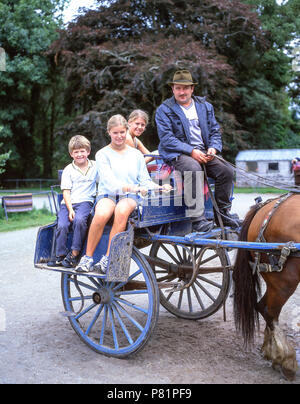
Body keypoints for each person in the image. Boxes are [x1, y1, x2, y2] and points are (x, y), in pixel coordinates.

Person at [75, 114, 172, 273]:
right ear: (109, 132)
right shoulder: (102, 154)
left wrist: (159, 188)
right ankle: (88, 258)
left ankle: (107, 258)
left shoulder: (136, 155)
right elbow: (110, 183)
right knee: (102, 212)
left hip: (130, 197)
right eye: (115, 133)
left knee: (122, 210)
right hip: (108, 194)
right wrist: (133, 188)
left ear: (126, 131)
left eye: (122, 132)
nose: (119, 136)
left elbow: (144, 180)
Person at [155, 69, 241, 232]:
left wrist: (213, 148)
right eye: (178, 88)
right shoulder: (164, 110)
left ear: (192, 89)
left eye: (185, 88)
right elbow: (167, 139)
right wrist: (192, 151)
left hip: (204, 152)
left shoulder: (205, 107)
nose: (182, 92)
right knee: (193, 168)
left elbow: (215, 131)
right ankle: (197, 220)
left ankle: (222, 214)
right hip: (178, 153)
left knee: (227, 170)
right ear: (172, 89)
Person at [48, 135, 98, 268]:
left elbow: (104, 181)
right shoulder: (68, 170)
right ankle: (61, 255)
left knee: (80, 220)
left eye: (82, 151)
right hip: (68, 203)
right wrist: (70, 210)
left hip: (86, 202)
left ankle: (74, 253)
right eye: (76, 152)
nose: (80, 154)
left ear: (88, 151)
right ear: (71, 154)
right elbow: (66, 191)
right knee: (62, 225)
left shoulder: (95, 166)